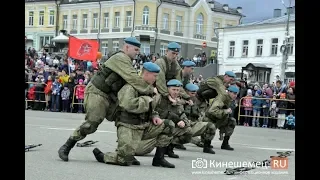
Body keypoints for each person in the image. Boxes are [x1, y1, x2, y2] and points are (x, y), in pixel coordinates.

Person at [58, 37, 155, 162]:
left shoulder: (128, 61)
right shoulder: (120, 58)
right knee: (92, 123)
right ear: (126, 47)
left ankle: (124, 153)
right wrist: (151, 90)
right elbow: (133, 78)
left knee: (125, 117)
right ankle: (67, 146)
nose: (138, 52)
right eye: (135, 49)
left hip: (110, 96)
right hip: (97, 92)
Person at [92, 62, 175, 168]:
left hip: (144, 126)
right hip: (128, 125)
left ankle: (159, 158)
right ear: (146, 74)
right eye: (154, 76)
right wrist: (148, 99)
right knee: (123, 160)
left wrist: (155, 116)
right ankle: (103, 156)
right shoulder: (130, 87)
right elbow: (128, 104)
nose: (156, 79)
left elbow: (151, 108)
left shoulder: (148, 88)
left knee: (168, 125)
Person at [134, 79, 192, 158]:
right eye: (173, 89)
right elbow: (149, 112)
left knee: (187, 130)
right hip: (152, 130)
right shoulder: (158, 98)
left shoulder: (178, 102)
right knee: (138, 151)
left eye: (178, 90)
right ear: (167, 89)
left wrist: (183, 122)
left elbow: (183, 116)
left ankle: (168, 148)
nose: (175, 92)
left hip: (166, 130)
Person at [179, 83, 216, 154]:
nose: (194, 95)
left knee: (210, 126)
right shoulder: (180, 100)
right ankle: (176, 143)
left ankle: (206, 146)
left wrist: (193, 106)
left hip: (191, 124)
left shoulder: (197, 101)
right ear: (186, 92)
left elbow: (198, 115)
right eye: (192, 93)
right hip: (182, 126)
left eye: (195, 93)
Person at [203, 85, 239, 151]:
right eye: (234, 93)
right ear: (229, 92)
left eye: (236, 94)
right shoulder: (221, 99)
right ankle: (206, 145)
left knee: (232, 121)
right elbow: (212, 111)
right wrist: (225, 111)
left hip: (220, 119)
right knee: (211, 127)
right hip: (210, 119)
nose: (235, 95)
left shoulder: (230, 100)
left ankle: (225, 143)